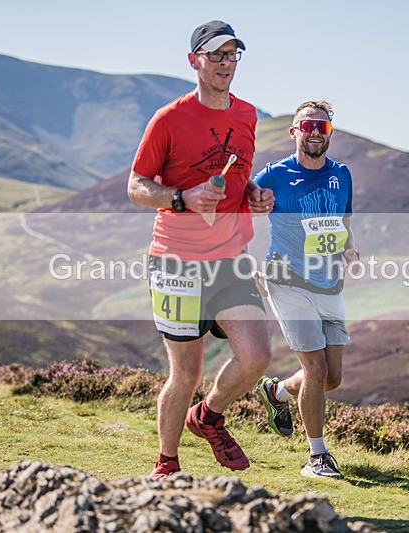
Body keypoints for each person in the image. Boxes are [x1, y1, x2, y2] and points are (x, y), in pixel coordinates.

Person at [127, 20, 275, 480]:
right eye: (216, 56)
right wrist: (181, 198)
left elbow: (237, 177)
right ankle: (166, 463)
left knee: (257, 356)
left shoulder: (247, 115)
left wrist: (253, 193)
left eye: (233, 55)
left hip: (230, 258)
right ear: (194, 61)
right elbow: (136, 186)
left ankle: (207, 418)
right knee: (185, 373)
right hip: (176, 261)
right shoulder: (169, 118)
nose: (226, 64)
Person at [253, 100, 359, 479]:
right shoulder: (274, 176)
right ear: (294, 132)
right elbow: (238, 214)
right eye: (307, 126)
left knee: (331, 378)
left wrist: (347, 247)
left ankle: (277, 392)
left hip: (329, 284)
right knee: (314, 368)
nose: (315, 132)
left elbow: (342, 219)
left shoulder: (342, 174)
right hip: (287, 282)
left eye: (322, 127)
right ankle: (317, 457)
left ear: (329, 132)